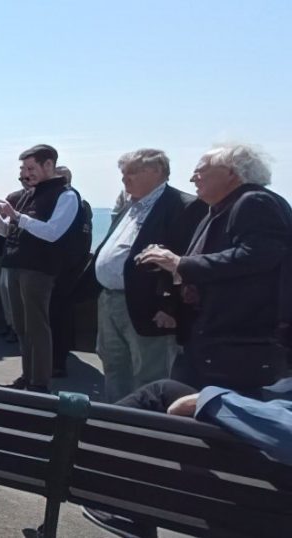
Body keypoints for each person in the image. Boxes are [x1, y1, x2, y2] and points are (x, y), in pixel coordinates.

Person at [136, 144, 292, 391]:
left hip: (239, 343)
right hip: (210, 338)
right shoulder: (219, 209)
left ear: (232, 172)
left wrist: (180, 263)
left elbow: (257, 256)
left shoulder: (255, 201)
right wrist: (169, 265)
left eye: (201, 171)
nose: (192, 178)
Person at [82, 377, 292, 538]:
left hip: (265, 495)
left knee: (162, 393)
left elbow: (283, 434)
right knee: (169, 393)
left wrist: (211, 399)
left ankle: (78, 452)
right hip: (271, 499)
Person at [83, 149, 206, 402]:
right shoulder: (131, 205)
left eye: (131, 173)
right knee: (114, 365)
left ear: (156, 171)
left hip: (149, 304)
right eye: (122, 173)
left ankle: (142, 430)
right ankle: (116, 419)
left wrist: (169, 307)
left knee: (149, 371)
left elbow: (183, 257)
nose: (124, 179)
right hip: (110, 300)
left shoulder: (183, 206)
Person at [0, 144, 85, 393]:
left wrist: (18, 216)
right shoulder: (31, 194)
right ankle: (27, 377)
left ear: (49, 165)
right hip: (16, 264)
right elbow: (10, 230)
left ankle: (39, 384)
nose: (26, 173)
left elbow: (53, 232)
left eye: (31, 168)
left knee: (37, 327)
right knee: (21, 327)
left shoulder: (67, 195)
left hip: (39, 269)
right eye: (23, 169)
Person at [49, 165, 94, 377]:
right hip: (65, 268)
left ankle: (58, 361)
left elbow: (80, 240)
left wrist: (70, 266)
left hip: (63, 270)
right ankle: (57, 357)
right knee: (57, 316)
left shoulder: (75, 203)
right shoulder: (79, 203)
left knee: (59, 316)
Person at [0, 172, 30, 343]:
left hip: (27, 260)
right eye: (21, 179)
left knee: (21, 298)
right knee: (5, 291)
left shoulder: (44, 199)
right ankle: (10, 326)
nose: (24, 181)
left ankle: (19, 330)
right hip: (9, 252)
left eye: (28, 178)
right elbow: (5, 229)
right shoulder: (15, 197)